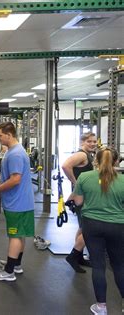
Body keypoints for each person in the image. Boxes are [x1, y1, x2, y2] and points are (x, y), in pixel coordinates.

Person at [71, 147, 124, 315]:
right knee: (119, 266)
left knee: (98, 265)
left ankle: (101, 307)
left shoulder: (85, 177)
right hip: (117, 226)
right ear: (116, 161)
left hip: (92, 225)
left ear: (95, 161)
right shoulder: (123, 180)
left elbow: (78, 202)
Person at [0, 122, 35, 281]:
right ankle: (16, 264)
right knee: (20, 234)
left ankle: (9, 271)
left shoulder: (16, 154)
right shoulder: (13, 151)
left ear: (9, 135)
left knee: (15, 236)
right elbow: (6, 178)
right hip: (19, 202)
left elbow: (15, 180)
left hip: (18, 203)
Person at [62, 132, 97, 273]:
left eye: (94, 141)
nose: (93, 144)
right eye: (89, 141)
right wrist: (76, 183)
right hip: (81, 196)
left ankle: (79, 256)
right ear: (82, 142)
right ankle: (73, 256)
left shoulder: (88, 155)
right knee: (87, 228)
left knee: (82, 227)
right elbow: (65, 166)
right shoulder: (82, 155)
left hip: (83, 195)